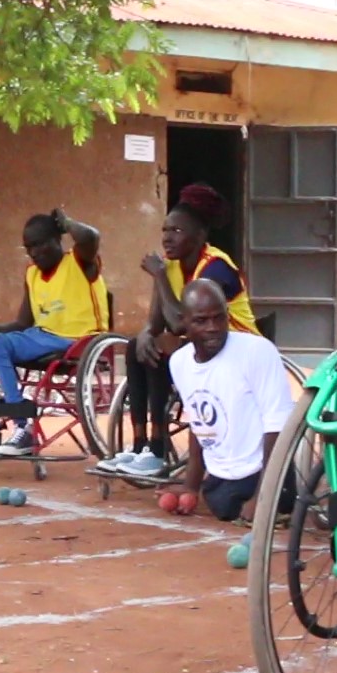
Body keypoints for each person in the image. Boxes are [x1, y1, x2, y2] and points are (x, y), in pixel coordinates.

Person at [100, 183, 255, 479]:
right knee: (138, 347)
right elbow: (157, 323)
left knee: (164, 349)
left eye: (177, 231)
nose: (167, 238)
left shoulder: (217, 267)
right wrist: (145, 333)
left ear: (200, 237)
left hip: (235, 346)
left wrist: (158, 276)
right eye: (164, 230)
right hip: (200, 349)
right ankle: (141, 445)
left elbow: (180, 323)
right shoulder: (171, 266)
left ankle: (158, 449)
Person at [0, 209, 106, 456]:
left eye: (39, 245)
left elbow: (91, 237)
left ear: (57, 239)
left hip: (78, 340)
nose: (33, 252)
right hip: (41, 337)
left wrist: (67, 223)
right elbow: (23, 322)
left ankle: (24, 427)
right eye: (28, 247)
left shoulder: (79, 261)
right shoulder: (32, 274)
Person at [167, 280, 295, 523]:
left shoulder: (258, 351)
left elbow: (278, 425)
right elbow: (198, 423)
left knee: (245, 508)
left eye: (219, 318)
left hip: (263, 471)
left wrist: (264, 497)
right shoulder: (179, 362)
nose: (213, 327)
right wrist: (191, 487)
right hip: (220, 475)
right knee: (222, 506)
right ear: (184, 322)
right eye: (201, 321)